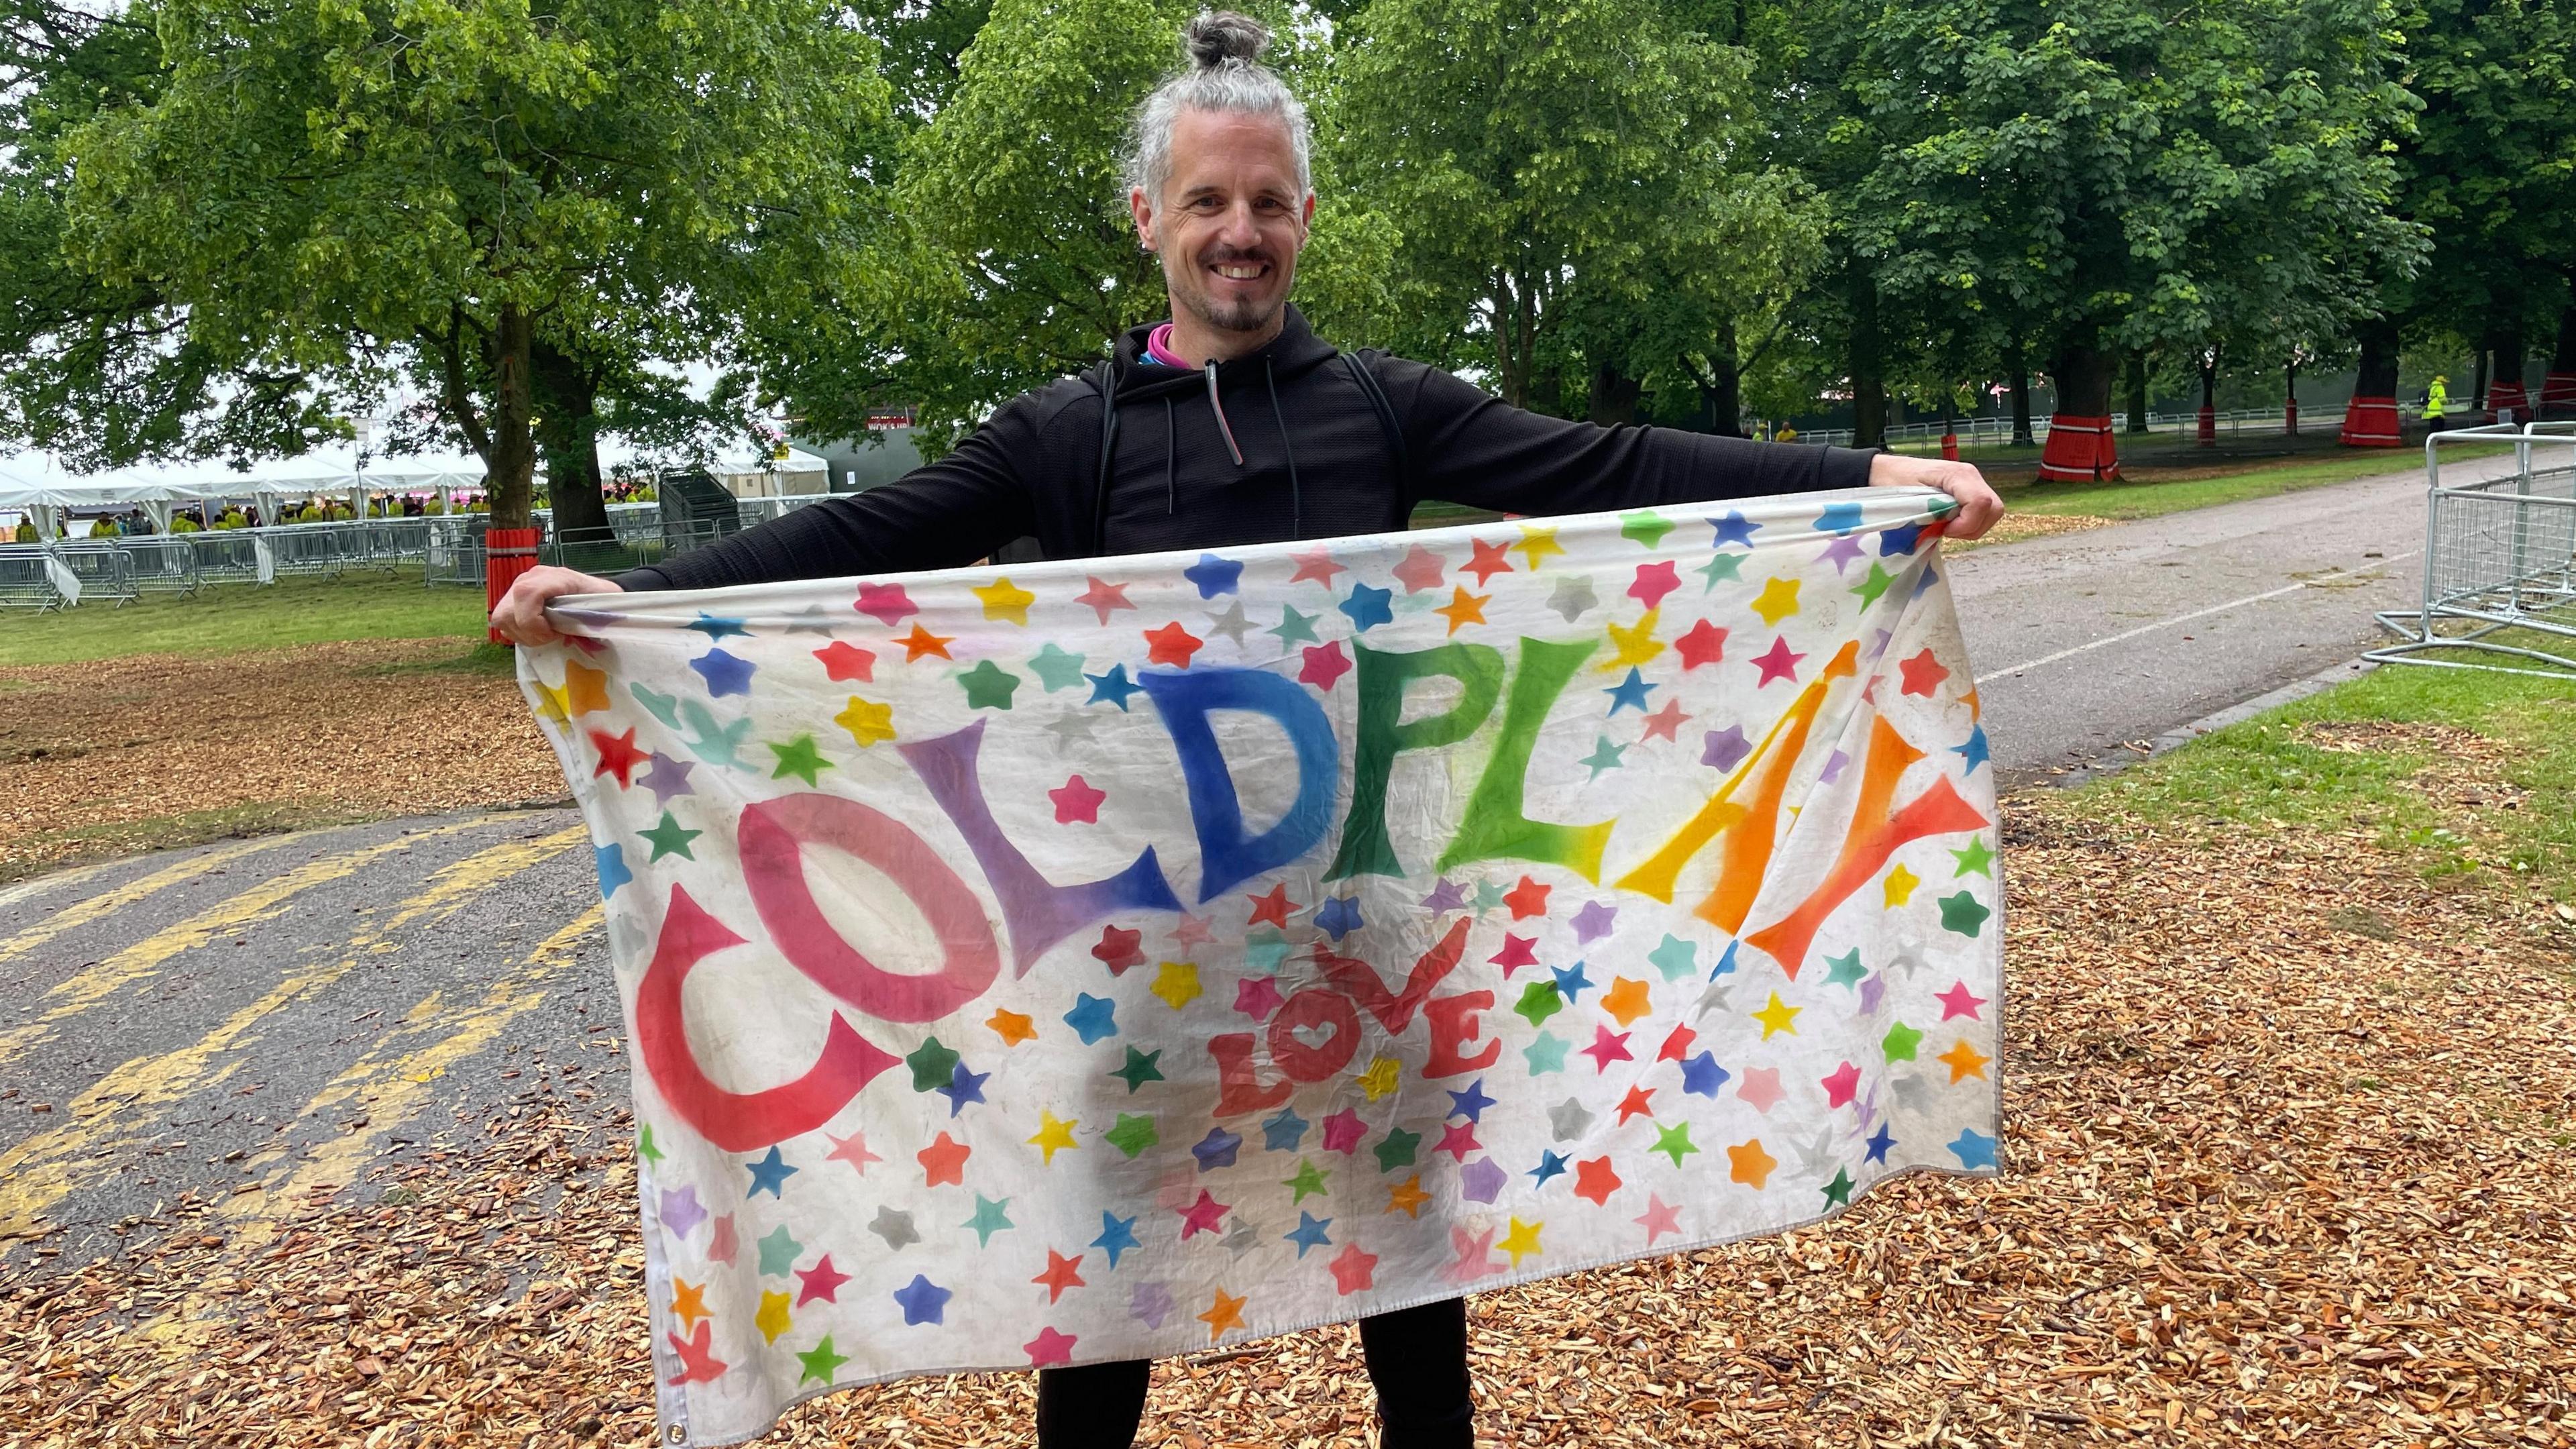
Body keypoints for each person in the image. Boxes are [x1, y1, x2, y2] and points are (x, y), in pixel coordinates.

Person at [494, 13, 2002, 1446]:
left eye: (1268, 202)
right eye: (1207, 200)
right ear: (1145, 215)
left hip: (1375, 930)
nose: (1240, 231)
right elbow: (867, 534)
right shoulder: (1066, 434)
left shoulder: (1381, 407)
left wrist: (1868, 474)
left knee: (1416, 1292)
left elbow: (1606, 468)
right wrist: (634, 596)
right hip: (1140, 951)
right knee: (1104, 1301)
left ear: (1306, 216)